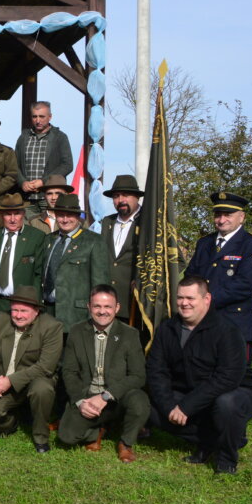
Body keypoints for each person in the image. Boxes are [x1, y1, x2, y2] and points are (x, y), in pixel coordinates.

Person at [146, 276, 252, 475]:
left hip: (236, 391)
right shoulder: (167, 328)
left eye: (190, 298)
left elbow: (228, 377)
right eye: (180, 298)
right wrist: (169, 407)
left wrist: (186, 406)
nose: (184, 303)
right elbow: (157, 371)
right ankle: (208, 441)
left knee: (226, 405)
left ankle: (226, 458)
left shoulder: (227, 330)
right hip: (190, 391)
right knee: (148, 406)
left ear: (206, 299)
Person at [58, 285, 149, 463]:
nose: (102, 311)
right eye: (97, 306)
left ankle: (125, 443)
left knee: (140, 402)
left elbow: (138, 376)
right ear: (89, 307)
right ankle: (98, 429)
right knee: (66, 437)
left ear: (117, 308)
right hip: (88, 396)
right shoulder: (77, 331)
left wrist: (106, 396)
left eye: (107, 307)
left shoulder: (129, 334)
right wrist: (79, 401)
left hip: (117, 396)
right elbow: (69, 371)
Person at [0, 286, 64, 453]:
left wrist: (10, 381)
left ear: (36, 311)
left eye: (24, 311)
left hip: (36, 379)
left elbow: (45, 366)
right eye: (15, 309)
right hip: (1, 380)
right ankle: (11, 425)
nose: (18, 315)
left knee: (42, 389)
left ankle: (40, 437)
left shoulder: (52, 327)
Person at [185, 191, 252, 359]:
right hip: (201, 322)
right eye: (217, 215)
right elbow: (190, 276)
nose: (221, 220)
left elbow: (244, 285)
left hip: (234, 324)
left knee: (235, 379)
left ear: (241, 217)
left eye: (228, 215)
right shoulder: (204, 243)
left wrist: (204, 301)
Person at [42, 193, 110, 333]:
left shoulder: (93, 241)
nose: (65, 219)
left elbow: (100, 283)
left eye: (70, 215)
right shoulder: (48, 240)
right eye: (61, 215)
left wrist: (96, 315)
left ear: (78, 216)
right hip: (47, 315)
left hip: (76, 318)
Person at [0, 194, 47, 314]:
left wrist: (34, 305)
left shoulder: (36, 237)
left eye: (17, 214)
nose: (13, 219)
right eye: (8, 214)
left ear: (23, 214)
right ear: (1, 215)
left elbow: (39, 274)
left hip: (24, 305)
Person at [15, 101, 73, 216]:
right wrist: (22, 182)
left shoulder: (60, 137)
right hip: (26, 199)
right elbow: (14, 165)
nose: (38, 120)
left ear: (50, 117)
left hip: (50, 198)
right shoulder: (23, 137)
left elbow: (67, 165)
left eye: (42, 116)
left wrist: (44, 182)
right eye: (34, 116)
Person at [100, 175, 144, 319]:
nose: (121, 200)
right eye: (116, 196)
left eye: (126, 195)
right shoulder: (107, 222)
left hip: (136, 303)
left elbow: (175, 262)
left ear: (137, 197)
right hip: (107, 304)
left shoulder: (149, 222)